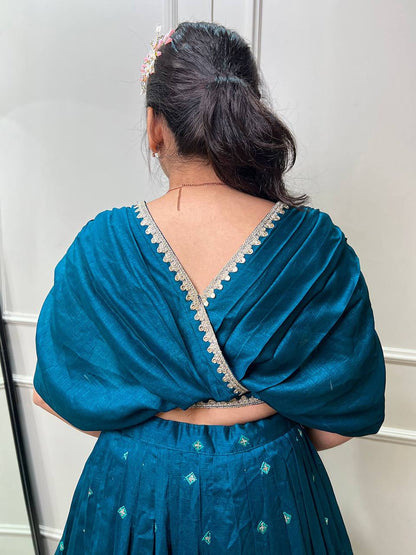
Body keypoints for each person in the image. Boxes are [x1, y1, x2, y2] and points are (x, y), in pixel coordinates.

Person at [33, 21, 386, 554]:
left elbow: (54, 390)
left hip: (131, 482)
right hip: (271, 486)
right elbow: (346, 413)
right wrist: (260, 440)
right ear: (245, 116)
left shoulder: (103, 244)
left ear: (155, 127)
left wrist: (152, 441)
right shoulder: (314, 244)